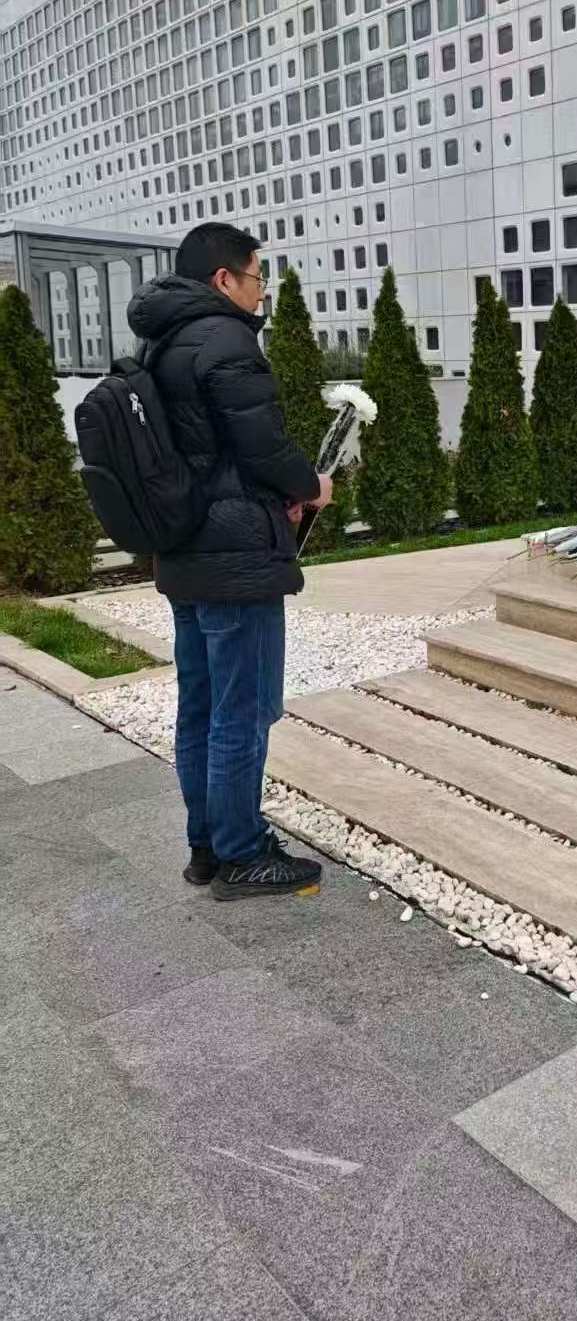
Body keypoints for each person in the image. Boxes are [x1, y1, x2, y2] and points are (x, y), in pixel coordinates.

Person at [127, 224, 333, 899]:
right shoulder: (225, 339)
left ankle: (208, 847)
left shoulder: (161, 341)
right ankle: (243, 854)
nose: (261, 292)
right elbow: (262, 445)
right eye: (257, 278)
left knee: (202, 707)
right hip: (236, 558)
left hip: (184, 547)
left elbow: (207, 453)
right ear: (224, 279)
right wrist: (310, 487)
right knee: (242, 711)